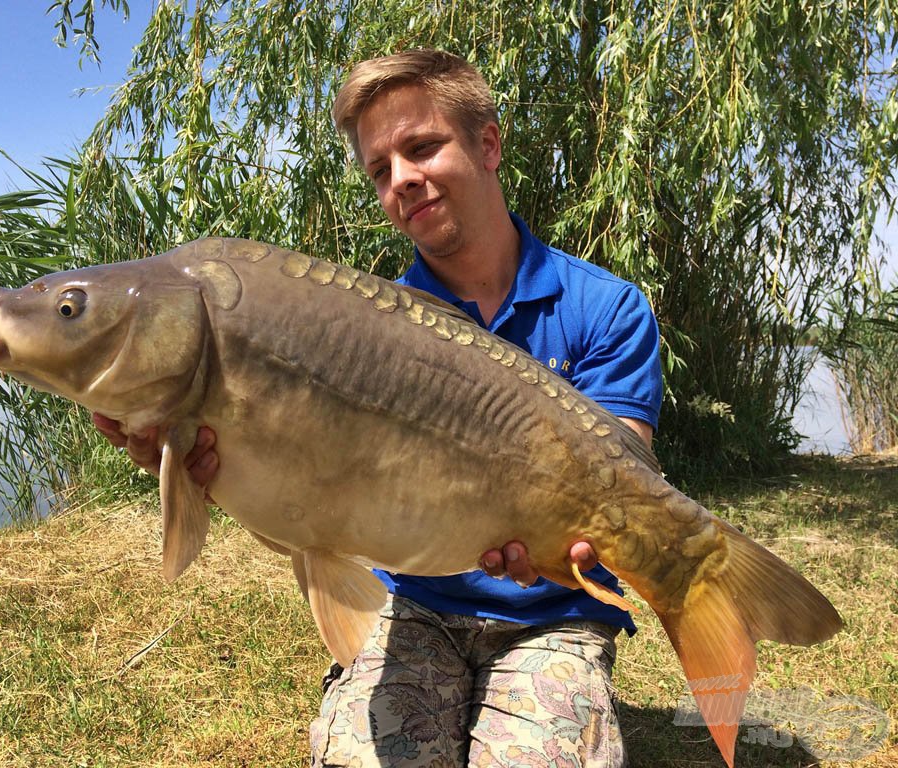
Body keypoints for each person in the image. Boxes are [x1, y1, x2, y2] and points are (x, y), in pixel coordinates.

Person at [94, 49, 662, 768]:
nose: (402, 180)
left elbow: (627, 485)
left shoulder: (605, 308)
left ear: (488, 143)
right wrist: (212, 469)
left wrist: (564, 546)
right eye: (379, 169)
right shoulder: (361, 332)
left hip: (549, 616)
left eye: (422, 147)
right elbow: (317, 518)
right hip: (418, 603)